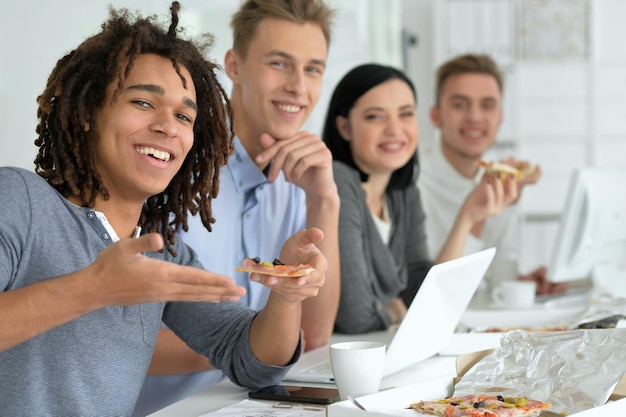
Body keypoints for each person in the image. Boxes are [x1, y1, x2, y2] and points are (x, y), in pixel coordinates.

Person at [0, 3, 328, 415]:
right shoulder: (19, 200)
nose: (168, 127)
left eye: (183, 116)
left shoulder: (161, 251)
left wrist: (286, 293)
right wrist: (92, 289)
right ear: (87, 112)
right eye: (142, 102)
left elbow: (255, 364)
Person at [133, 0, 341, 414]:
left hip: (251, 403)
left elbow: (314, 336)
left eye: (313, 68)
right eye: (279, 63)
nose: (299, 86)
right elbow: (118, 337)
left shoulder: (300, 177)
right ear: (235, 65)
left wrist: (324, 200)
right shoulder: (166, 158)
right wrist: (249, 347)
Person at [322, 63, 518, 334]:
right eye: (375, 117)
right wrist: (392, 308)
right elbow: (355, 316)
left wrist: (467, 217)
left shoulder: (402, 192)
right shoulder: (337, 181)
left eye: (405, 114)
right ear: (344, 127)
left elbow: (426, 297)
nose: (394, 129)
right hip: (337, 360)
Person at [417, 53, 567, 295]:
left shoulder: (499, 180)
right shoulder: (413, 182)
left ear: (500, 118)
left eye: (487, 105)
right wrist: (479, 214)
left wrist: (523, 284)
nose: (475, 117)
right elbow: (442, 291)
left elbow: (490, 275)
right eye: (460, 104)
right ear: (436, 116)